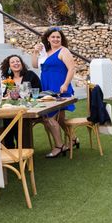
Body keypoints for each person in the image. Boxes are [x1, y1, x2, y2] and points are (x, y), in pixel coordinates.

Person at [31, 28, 75, 158]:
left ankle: (59, 146)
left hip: (60, 88)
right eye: (53, 37)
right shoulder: (46, 52)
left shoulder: (64, 51)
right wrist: (35, 52)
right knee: (60, 119)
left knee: (49, 117)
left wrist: (66, 84)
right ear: (48, 39)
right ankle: (73, 139)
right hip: (47, 88)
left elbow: (71, 68)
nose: (56, 39)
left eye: (58, 37)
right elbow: (34, 65)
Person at [0, 55, 42, 149]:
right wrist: (8, 95)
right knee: (6, 118)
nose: (16, 63)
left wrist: (24, 95)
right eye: (13, 62)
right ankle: (10, 148)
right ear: (9, 66)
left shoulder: (30, 75)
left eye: (18, 61)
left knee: (16, 119)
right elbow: (5, 95)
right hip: (14, 109)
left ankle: (23, 148)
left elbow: (38, 91)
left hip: (29, 107)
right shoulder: (9, 79)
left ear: (22, 63)